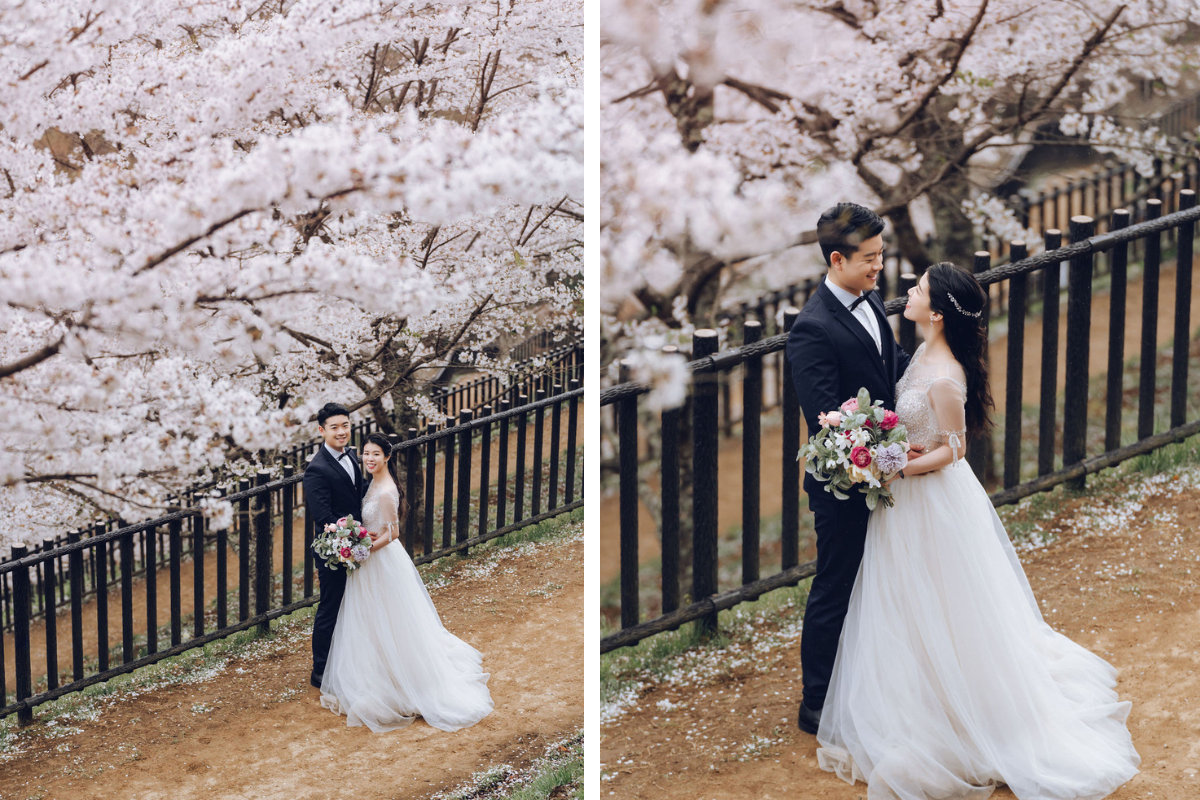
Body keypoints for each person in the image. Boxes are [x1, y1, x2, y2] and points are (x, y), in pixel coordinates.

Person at [814, 263, 1140, 798]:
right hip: (905, 501)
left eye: (917, 289)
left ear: (938, 312)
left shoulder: (945, 376)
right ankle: (920, 700)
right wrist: (883, 446)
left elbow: (955, 448)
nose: (908, 293)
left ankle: (967, 713)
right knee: (907, 602)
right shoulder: (921, 352)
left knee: (948, 604)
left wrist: (898, 466)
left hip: (934, 503)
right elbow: (920, 432)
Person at [786, 202, 913, 734]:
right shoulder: (811, 329)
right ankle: (816, 701)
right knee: (837, 583)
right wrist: (875, 457)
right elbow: (826, 421)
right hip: (842, 484)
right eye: (869, 258)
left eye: (881, 255)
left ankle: (871, 682)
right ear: (836, 259)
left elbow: (889, 366)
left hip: (883, 470)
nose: (878, 266)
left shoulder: (870, 297)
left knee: (881, 581)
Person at [319, 432, 494, 732]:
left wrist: (363, 550)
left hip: (382, 562)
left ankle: (405, 679)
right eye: (366, 453)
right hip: (369, 560)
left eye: (376, 454)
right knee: (372, 620)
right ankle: (378, 673)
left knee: (393, 619)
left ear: (387, 456)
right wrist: (358, 538)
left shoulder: (386, 491)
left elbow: (394, 533)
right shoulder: (373, 482)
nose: (370, 459)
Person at [302, 402, 363, 690]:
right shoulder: (317, 469)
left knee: (356, 604)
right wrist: (356, 536)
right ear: (322, 430)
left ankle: (350, 659)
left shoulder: (350, 455)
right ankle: (321, 669)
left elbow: (357, 494)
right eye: (334, 427)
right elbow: (323, 516)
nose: (341, 432)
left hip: (356, 545)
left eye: (345, 425)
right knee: (331, 605)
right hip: (333, 551)